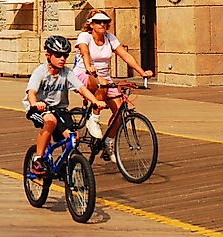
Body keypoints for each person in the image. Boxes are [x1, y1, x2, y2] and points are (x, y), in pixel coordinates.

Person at [72, 10, 153, 161]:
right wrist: (89, 66)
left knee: (119, 110)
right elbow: (84, 53)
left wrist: (141, 72)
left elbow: (125, 55)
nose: (102, 24)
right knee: (101, 83)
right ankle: (94, 119)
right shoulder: (85, 36)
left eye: (105, 22)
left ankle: (108, 141)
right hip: (83, 74)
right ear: (91, 23)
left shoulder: (110, 38)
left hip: (104, 77)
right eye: (98, 22)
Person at [23, 35, 106, 175]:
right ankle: (38, 159)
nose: (62, 58)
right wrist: (35, 104)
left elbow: (81, 88)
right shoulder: (41, 72)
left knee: (73, 137)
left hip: (60, 109)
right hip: (39, 109)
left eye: (65, 55)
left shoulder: (66, 73)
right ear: (48, 55)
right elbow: (31, 92)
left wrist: (95, 101)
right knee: (50, 121)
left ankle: (65, 164)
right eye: (58, 55)